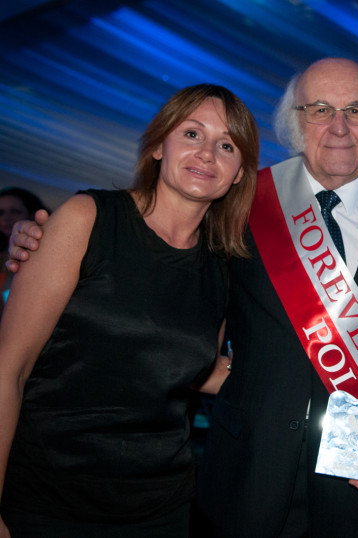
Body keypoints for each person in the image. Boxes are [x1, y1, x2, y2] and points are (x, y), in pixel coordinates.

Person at [5, 58, 358, 538]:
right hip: (245, 478)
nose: (339, 126)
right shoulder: (243, 206)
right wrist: (43, 238)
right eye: (320, 109)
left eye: (357, 110)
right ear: (295, 122)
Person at [0, 83, 259, 537]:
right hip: (48, 501)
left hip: (161, 509)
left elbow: (188, 367)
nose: (207, 154)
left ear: (238, 173)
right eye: (192, 134)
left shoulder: (222, 265)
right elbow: (9, 369)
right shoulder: (87, 219)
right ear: (159, 145)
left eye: (226, 146)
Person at [0, 187, 48, 315]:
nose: (7, 218)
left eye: (15, 211)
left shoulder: (41, 250)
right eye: (1, 213)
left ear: (32, 214)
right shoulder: (3, 255)